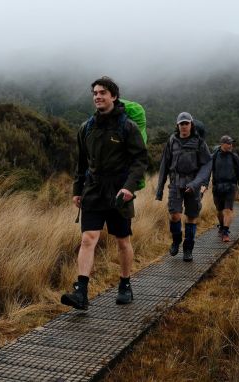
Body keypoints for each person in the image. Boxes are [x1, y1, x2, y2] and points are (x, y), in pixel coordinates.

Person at [61, 76, 148, 310]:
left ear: (114, 96)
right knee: (88, 238)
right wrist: (77, 190)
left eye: (103, 92)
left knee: (122, 240)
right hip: (93, 191)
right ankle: (81, 292)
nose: (98, 96)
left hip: (120, 191)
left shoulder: (126, 126)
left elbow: (140, 160)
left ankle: (125, 284)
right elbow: (81, 163)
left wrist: (129, 187)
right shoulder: (86, 127)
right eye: (95, 93)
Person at [155, 112, 212, 262]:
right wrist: (159, 190)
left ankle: (188, 248)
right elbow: (164, 165)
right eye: (181, 124)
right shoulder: (172, 140)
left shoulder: (199, 142)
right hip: (175, 183)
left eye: (186, 123)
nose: (184, 126)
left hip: (193, 183)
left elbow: (207, 164)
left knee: (192, 217)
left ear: (191, 124)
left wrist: (196, 184)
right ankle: (176, 239)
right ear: (178, 125)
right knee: (175, 215)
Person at [211, 135, 239, 242]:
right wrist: (204, 184)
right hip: (217, 187)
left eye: (231, 143)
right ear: (222, 144)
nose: (231, 145)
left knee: (228, 210)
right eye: (228, 143)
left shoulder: (234, 157)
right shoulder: (214, 156)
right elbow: (208, 171)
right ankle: (221, 226)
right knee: (219, 211)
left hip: (231, 187)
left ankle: (225, 232)